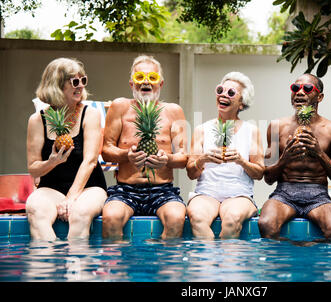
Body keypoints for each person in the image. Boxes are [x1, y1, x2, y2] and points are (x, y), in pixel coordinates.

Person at [101, 55, 188, 240]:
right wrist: (127, 155)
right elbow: (106, 150)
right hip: (126, 189)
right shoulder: (120, 107)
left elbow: (183, 157)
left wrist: (168, 159)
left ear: (161, 84)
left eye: (152, 78)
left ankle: (163, 265)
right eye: (139, 77)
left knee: (176, 218)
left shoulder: (173, 111)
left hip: (162, 190)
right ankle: (121, 268)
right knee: (110, 218)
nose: (145, 82)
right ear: (132, 83)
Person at [258, 73, 331, 240]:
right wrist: (285, 158)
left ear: (320, 97)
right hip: (284, 193)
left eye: (308, 89)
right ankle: (291, 256)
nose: (300, 92)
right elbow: (268, 178)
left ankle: (310, 256)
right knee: (266, 224)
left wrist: (320, 154)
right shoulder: (276, 127)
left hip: (318, 195)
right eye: (295, 88)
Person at [26, 57, 107, 241]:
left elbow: (90, 161)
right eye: (74, 82)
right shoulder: (38, 120)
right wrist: (51, 162)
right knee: (35, 210)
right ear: (56, 85)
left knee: (79, 214)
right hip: (51, 188)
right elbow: (33, 167)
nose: (80, 86)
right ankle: (46, 265)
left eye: (83, 81)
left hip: (89, 188)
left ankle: (76, 267)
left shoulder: (89, 114)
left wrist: (70, 198)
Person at [186, 72, 264, 239]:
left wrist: (242, 161)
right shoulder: (202, 130)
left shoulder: (251, 131)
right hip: (206, 193)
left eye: (231, 93)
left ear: (242, 103)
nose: (223, 95)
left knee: (231, 220)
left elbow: (259, 173)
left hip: (239, 194)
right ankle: (207, 264)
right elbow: (191, 173)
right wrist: (202, 159)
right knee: (198, 218)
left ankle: (228, 265)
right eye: (220, 90)